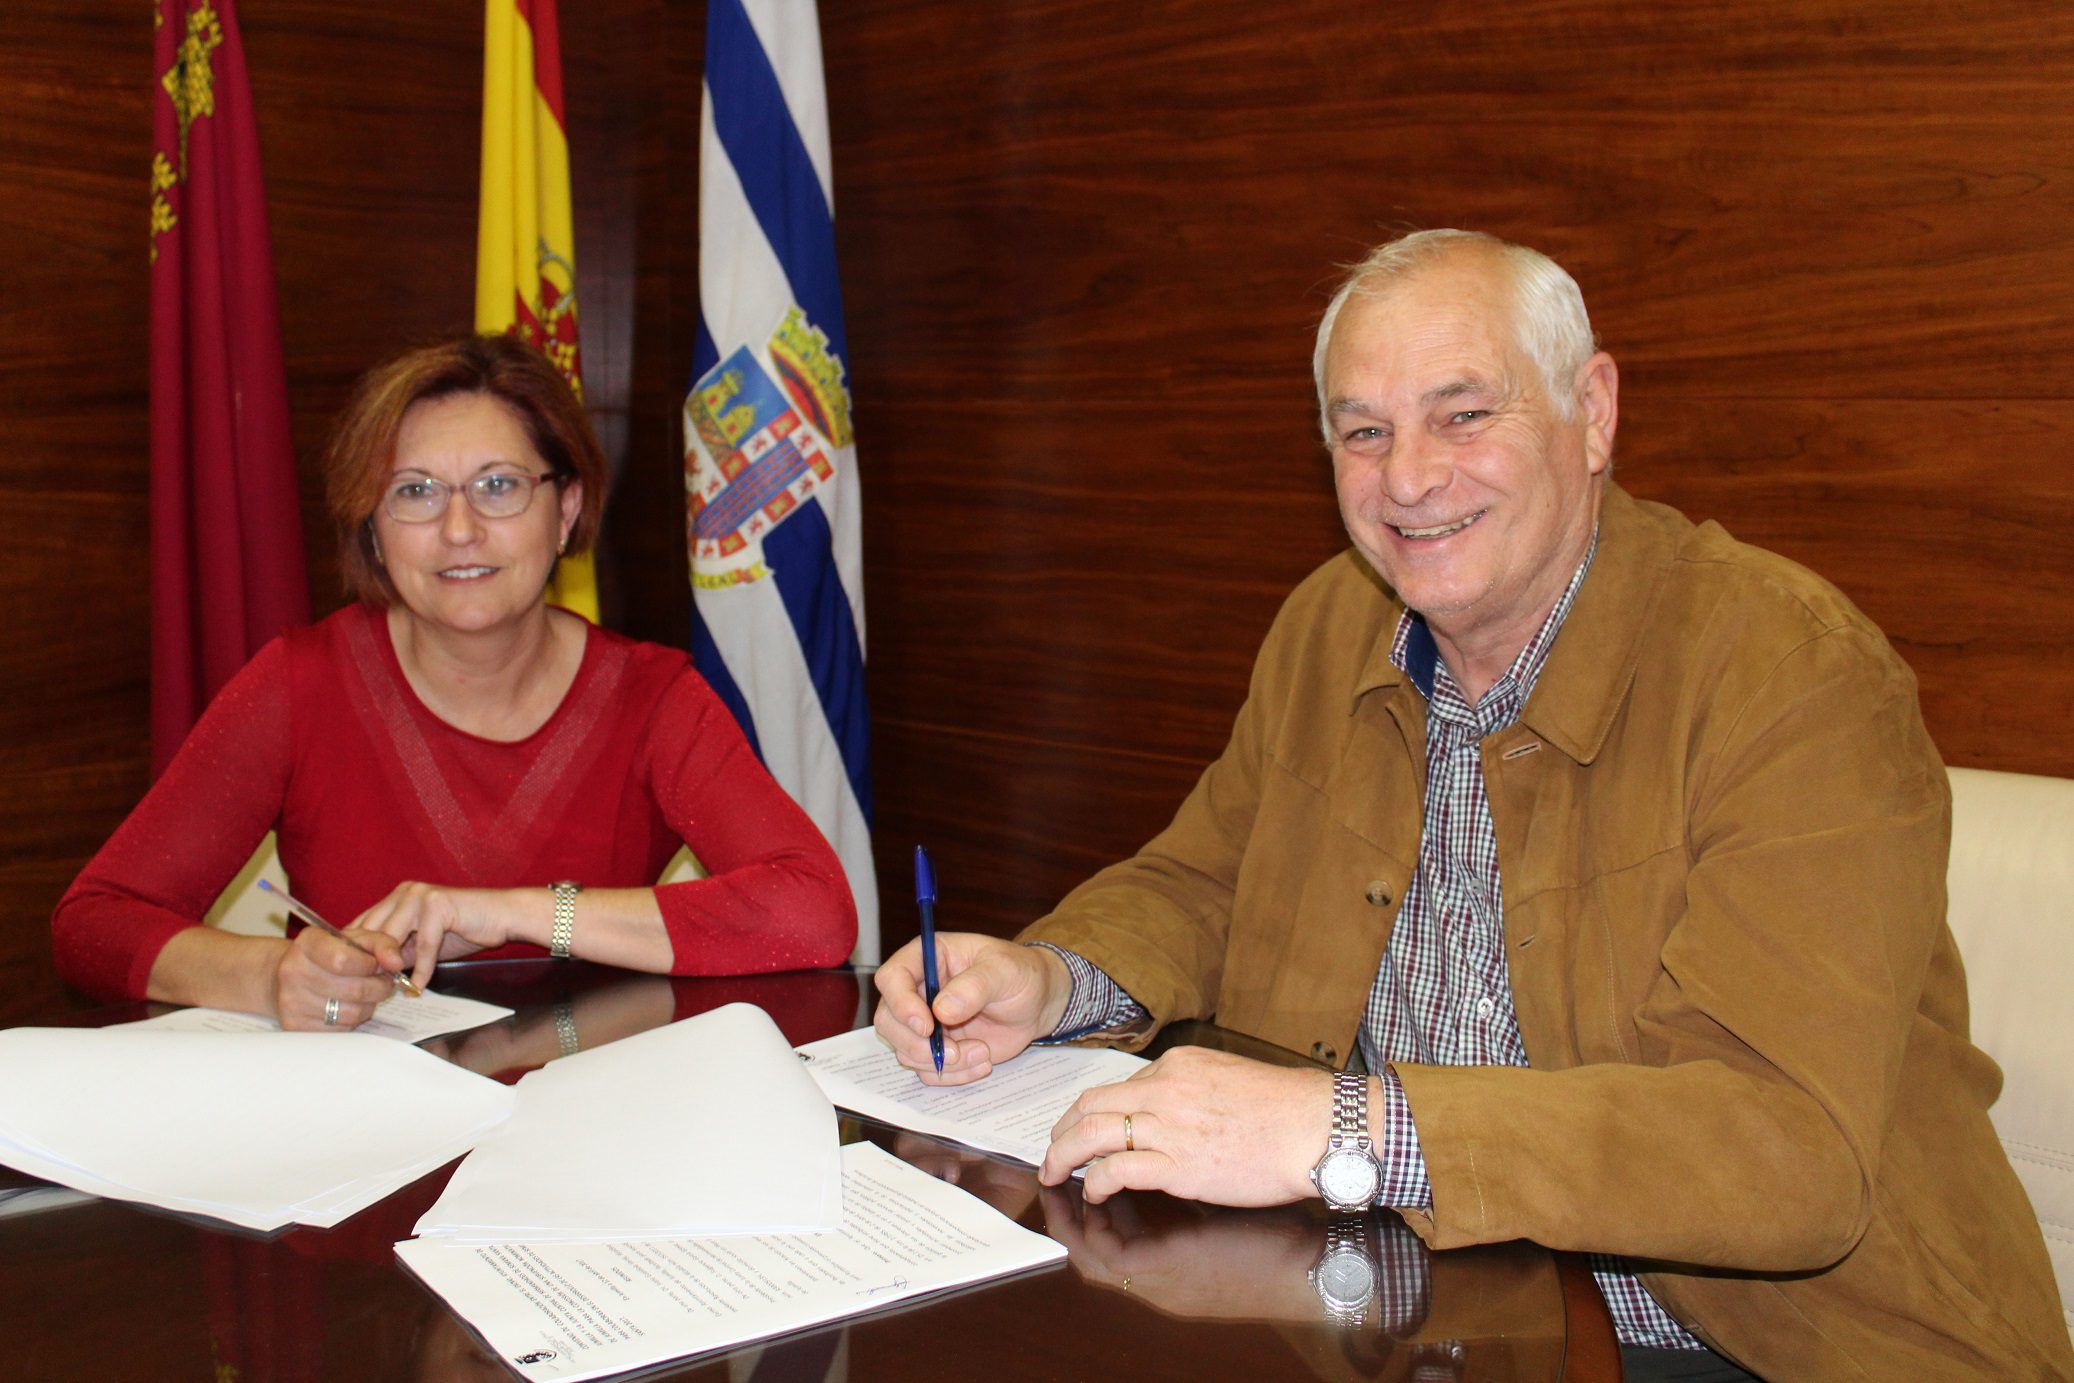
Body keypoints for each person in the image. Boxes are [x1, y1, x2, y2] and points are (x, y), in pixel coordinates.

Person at [874, 231, 2073, 1380]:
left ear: (1591, 412)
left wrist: (1351, 1131)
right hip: (1398, 1300)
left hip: (1745, 1345)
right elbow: (1208, 880)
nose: (1407, 477)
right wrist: (1053, 981)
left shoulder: (1790, 674)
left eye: (1462, 414)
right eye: (1364, 431)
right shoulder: (1331, 621)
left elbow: (1785, 1150)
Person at [55, 335, 856, 1030]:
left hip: (584, 1111)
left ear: (566, 509)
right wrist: (268, 976)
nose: (459, 529)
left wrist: (514, 910)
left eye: (499, 485)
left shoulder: (652, 697)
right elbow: (92, 924)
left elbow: (815, 913)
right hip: (362, 1120)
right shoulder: (300, 685)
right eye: (415, 492)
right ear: (373, 528)